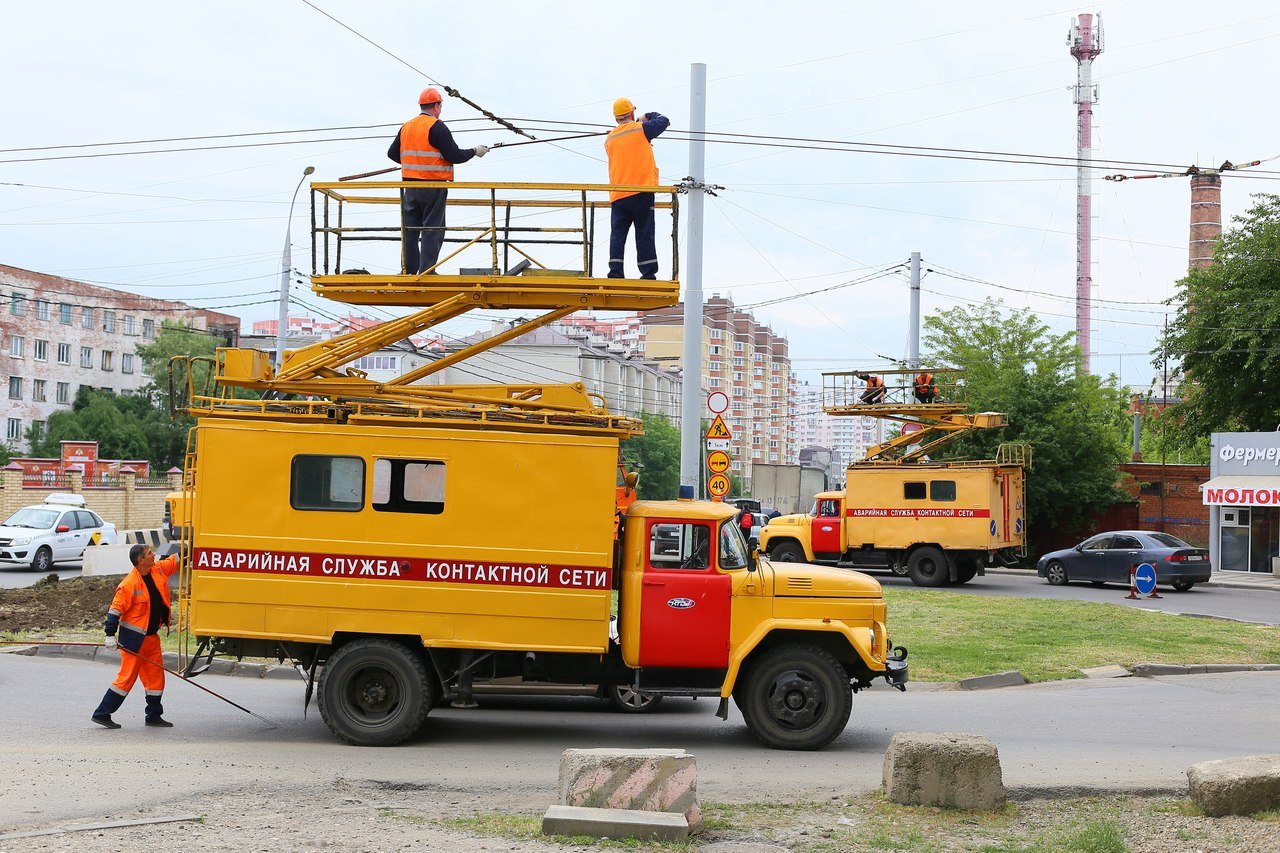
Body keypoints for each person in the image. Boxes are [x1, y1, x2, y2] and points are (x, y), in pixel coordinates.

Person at [387, 87, 489, 275]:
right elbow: (454, 155)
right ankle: (427, 270)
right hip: (433, 186)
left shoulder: (406, 126)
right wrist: (475, 151)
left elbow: (392, 153)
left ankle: (408, 270)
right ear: (436, 106)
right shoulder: (437, 126)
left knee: (410, 229)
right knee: (432, 228)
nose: (440, 110)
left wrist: (414, 163)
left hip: (409, 187)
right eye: (440, 106)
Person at [91, 544, 180, 729]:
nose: (153, 554)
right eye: (149, 553)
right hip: (133, 641)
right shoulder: (129, 584)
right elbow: (114, 611)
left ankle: (154, 716)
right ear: (141, 560)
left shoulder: (157, 569)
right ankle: (102, 713)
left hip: (151, 638)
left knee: (156, 679)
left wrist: (190, 548)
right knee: (126, 680)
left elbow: (174, 562)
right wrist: (110, 635)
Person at [604, 97, 669, 280]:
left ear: (616, 118)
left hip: (618, 194)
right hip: (641, 191)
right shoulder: (641, 129)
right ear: (632, 113)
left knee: (618, 235)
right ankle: (648, 273)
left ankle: (615, 272)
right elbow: (664, 120)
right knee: (644, 233)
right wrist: (646, 116)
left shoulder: (610, 138)